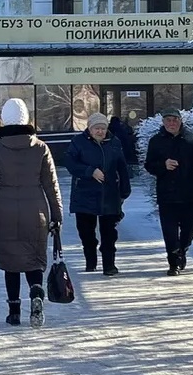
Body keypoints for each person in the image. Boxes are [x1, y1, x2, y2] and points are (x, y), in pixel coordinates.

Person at [0, 98, 63, 327]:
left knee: (10, 263)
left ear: (4, 120)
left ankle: (14, 312)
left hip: (3, 212)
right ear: (27, 119)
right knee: (34, 260)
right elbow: (51, 185)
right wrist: (57, 216)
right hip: (35, 212)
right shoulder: (41, 148)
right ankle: (36, 294)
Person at [64, 112, 132, 276]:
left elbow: (122, 167)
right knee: (86, 233)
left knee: (109, 233)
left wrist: (125, 189)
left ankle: (109, 265)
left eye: (103, 128)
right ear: (90, 128)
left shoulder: (114, 142)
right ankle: (91, 261)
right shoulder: (78, 142)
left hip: (109, 194)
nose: (100, 131)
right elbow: (70, 163)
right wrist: (90, 171)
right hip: (84, 193)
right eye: (96, 128)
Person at [144, 108, 193, 276]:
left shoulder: (191, 139)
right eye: (168, 120)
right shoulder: (156, 141)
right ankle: (173, 263)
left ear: (180, 121)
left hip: (189, 194)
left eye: (175, 120)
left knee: (189, 229)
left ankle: (182, 250)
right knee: (169, 232)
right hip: (167, 194)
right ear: (163, 122)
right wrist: (163, 165)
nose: (171, 123)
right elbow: (149, 165)